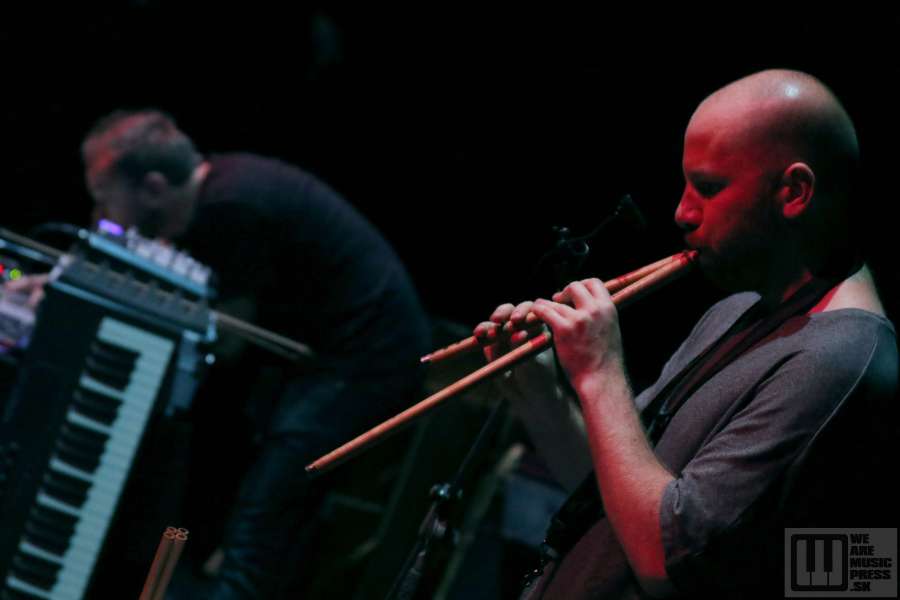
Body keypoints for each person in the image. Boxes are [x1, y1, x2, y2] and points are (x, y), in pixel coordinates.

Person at [475, 69, 898, 598]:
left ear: (794, 192)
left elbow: (667, 564)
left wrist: (600, 371)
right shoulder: (738, 310)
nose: (682, 212)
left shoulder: (837, 357)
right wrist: (539, 390)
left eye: (710, 188)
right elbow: (613, 492)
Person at [78, 110, 431, 599]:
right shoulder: (224, 189)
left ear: (154, 187)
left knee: (265, 511)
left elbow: (228, 341)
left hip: (365, 364)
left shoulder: (231, 207)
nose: (100, 214)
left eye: (104, 198)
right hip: (336, 358)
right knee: (255, 499)